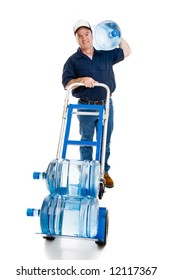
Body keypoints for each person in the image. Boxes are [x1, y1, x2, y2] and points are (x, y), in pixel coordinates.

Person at [62, 19, 131, 188]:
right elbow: (67, 84)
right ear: (76, 39)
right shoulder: (73, 61)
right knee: (86, 141)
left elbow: (127, 51)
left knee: (104, 140)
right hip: (85, 106)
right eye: (80, 36)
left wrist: (115, 33)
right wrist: (81, 79)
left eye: (87, 34)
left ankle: (103, 172)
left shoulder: (105, 53)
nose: (84, 38)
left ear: (93, 35)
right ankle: (86, 174)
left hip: (106, 105)